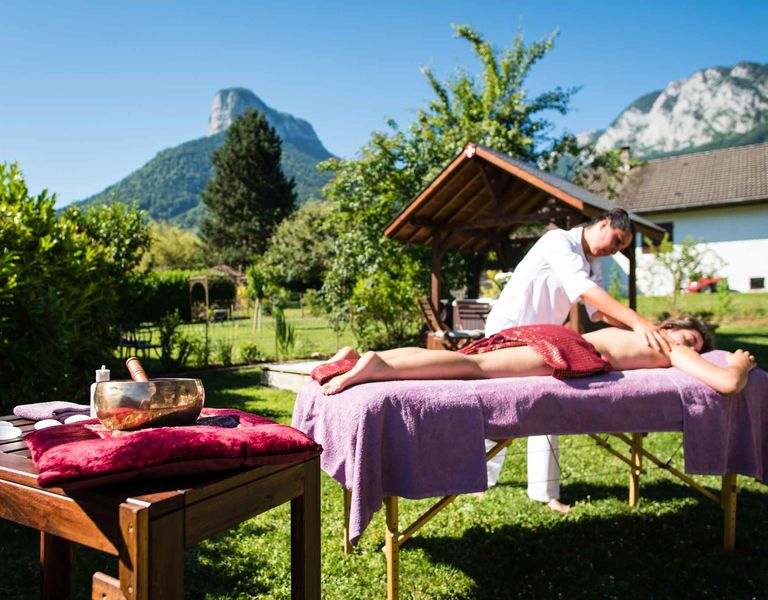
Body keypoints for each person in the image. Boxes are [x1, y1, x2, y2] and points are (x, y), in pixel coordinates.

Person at [483, 207, 671, 513]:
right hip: (507, 330)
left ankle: (545, 493)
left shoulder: (592, 263)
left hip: (542, 341)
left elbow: (598, 313)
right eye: (617, 240)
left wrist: (644, 333)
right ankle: (478, 481)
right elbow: (585, 290)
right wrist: (637, 321)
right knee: (499, 408)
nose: (615, 250)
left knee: (544, 407)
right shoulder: (558, 240)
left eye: (621, 248)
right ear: (605, 223)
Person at [318, 317, 756, 397]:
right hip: (570, 348)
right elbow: (728, 383)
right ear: (675, 329)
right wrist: (739, 363)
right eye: (690, 338)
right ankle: (379, 367)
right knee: (472, 368)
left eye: (696, 346)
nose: (690, 347)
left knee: (462, 355)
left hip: (556, 336)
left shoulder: (640, 332)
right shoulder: (669, 347)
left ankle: (352, 360)